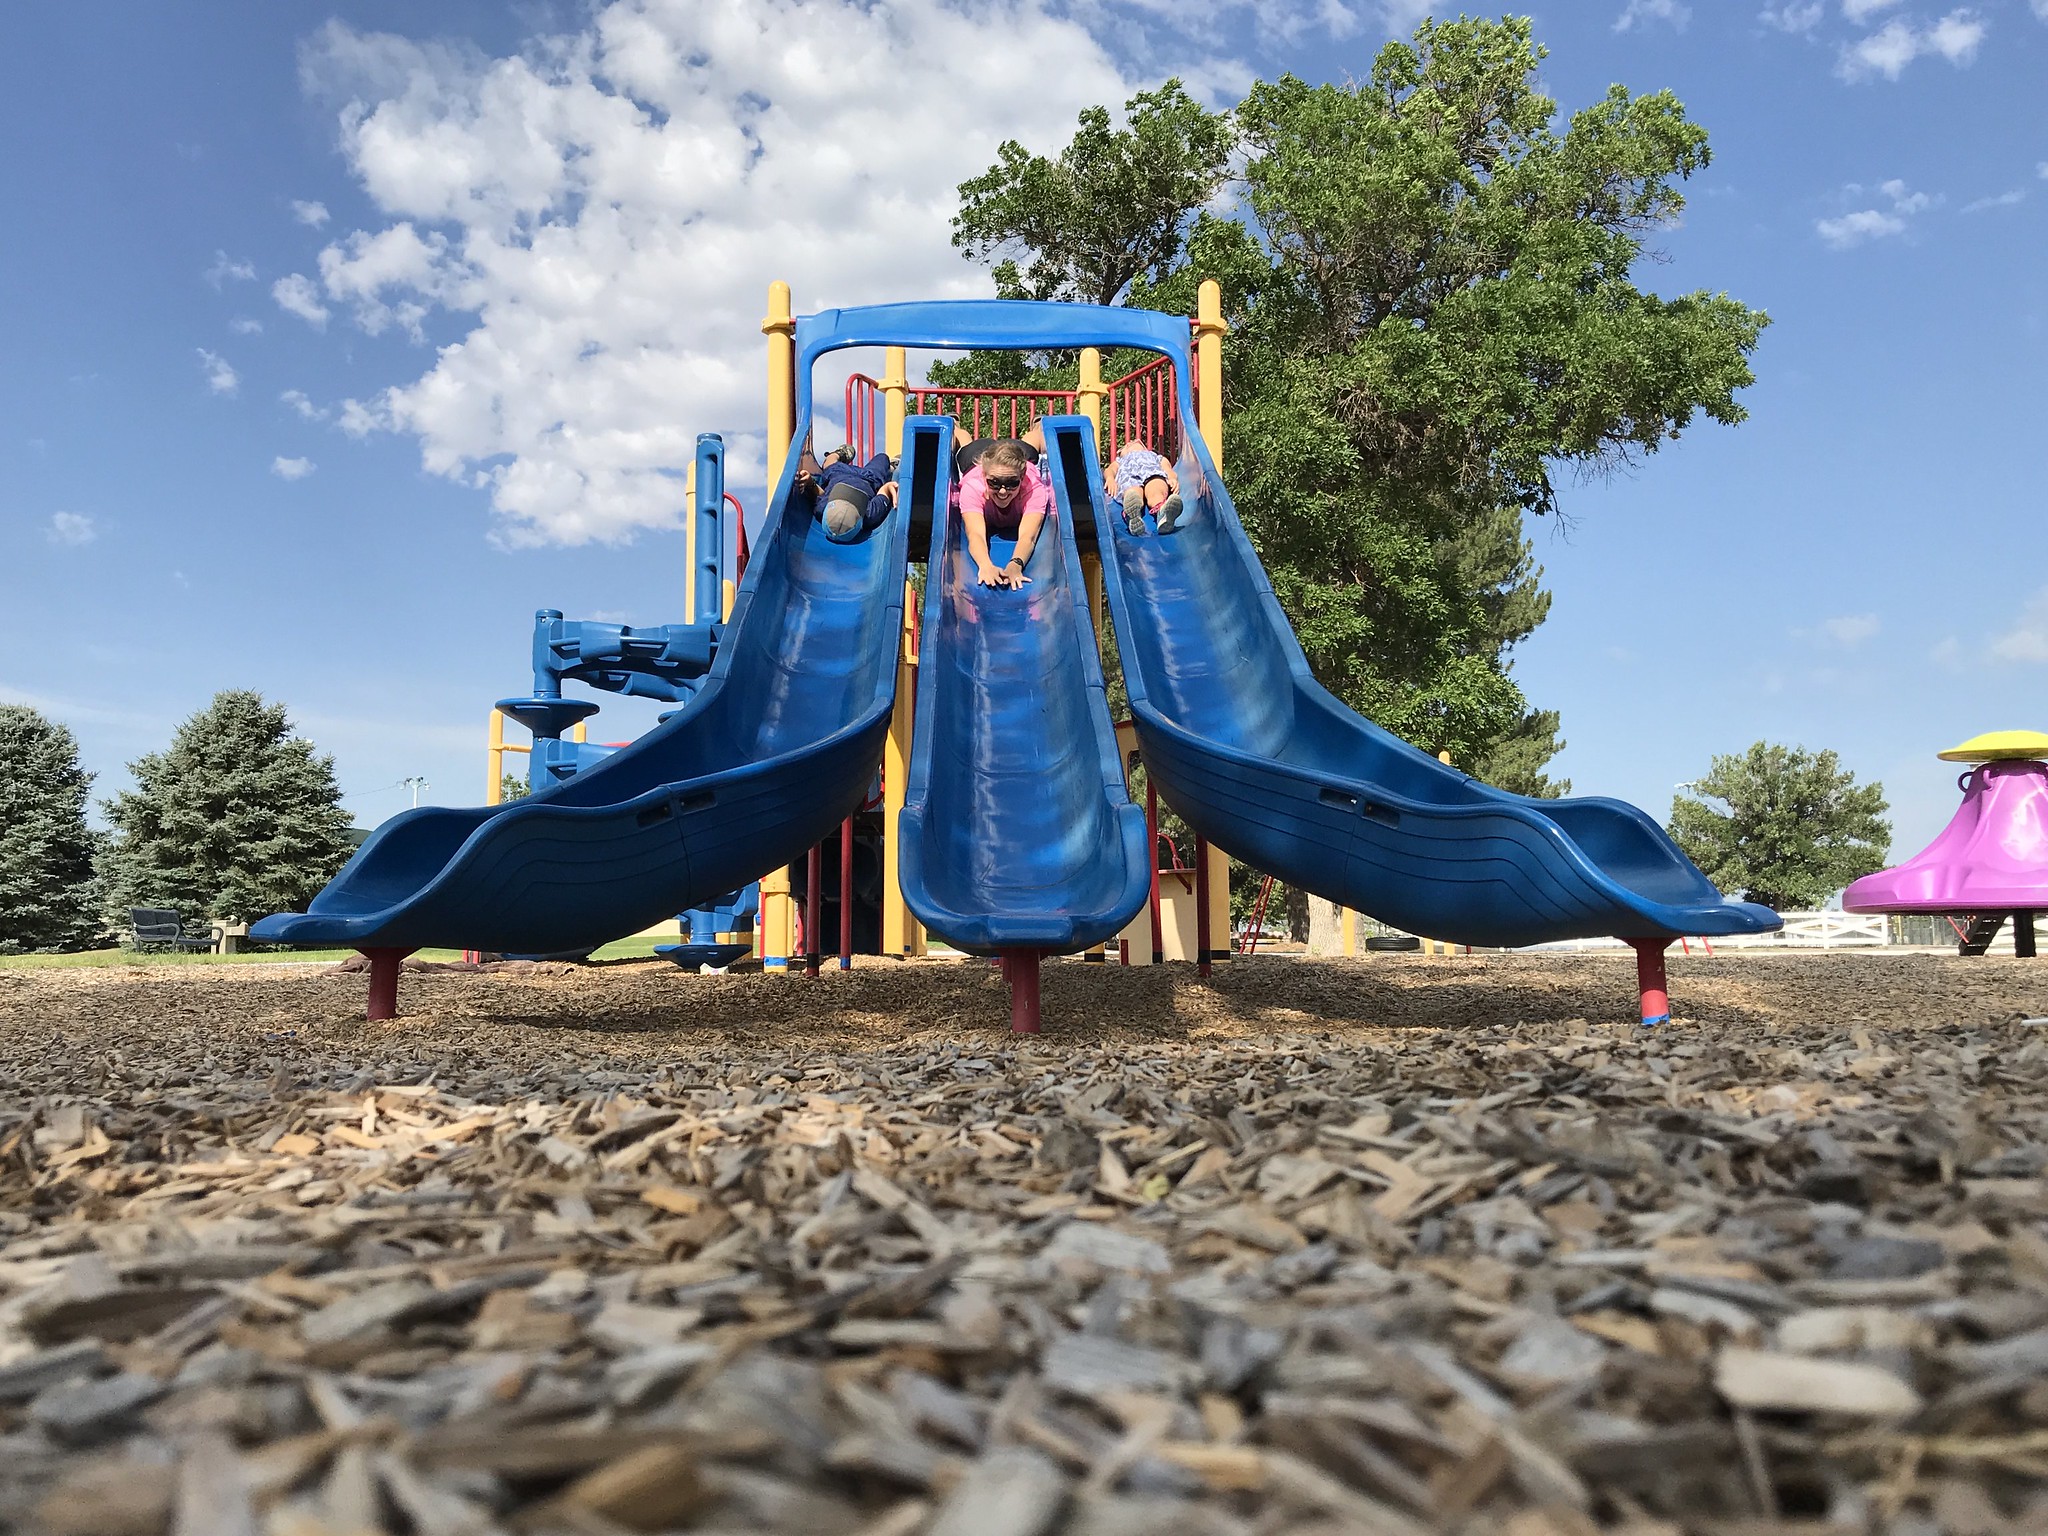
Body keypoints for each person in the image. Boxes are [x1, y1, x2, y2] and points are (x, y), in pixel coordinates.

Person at [956, 436, 1052, 589]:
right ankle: (956, 425)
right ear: (984, 477)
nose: (1002, 491)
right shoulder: (973, 488)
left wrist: (1016, 564)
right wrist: (985, 565)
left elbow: (1029, 536)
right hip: (978, 453)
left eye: (1011, 483)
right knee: (966, 445)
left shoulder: (1033, 489)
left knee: (1030, 447)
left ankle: (1036, 429)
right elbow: (975, 534)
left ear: (1021, 478)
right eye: (994, 482)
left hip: (1019, 453)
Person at [795, 438, 898, 542]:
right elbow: (884, 491)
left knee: (829, 465)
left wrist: (810, 482)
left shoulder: (822, 509)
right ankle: (890, 468)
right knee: (882, 457)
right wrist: (889, 485)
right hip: (869, 478)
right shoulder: (870, 515)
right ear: (861, 523)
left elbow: (820, 494)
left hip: (839, 473)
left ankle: (839, 453)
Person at [1104, 439, 1183, 535]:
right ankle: (1133, 515)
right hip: (1129, 474)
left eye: (1134, 441)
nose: (1129, 443)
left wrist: (1172, 478)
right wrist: (1110, 479)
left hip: (1152, 471)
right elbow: (1110, 470)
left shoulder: (1155, 457)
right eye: (1125, 446)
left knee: (1156, 489)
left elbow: (1167, 468)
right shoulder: (1120, 460)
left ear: (1145, 448)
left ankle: (1163, 514)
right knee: (1133, 492)